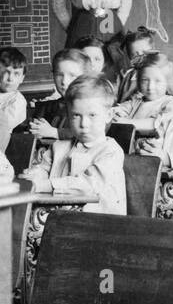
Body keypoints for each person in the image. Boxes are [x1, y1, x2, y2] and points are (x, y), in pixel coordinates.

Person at [22, 75, 126, 214]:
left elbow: (86, 185)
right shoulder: (59, 146)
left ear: (108, 115)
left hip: (98, 224)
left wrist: (44, 185)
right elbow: (43, 169)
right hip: (59, 216)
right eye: (76, 115)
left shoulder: (110, 151)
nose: (84, 124)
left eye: (92, 115)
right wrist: (33, 177)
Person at [112, 51, 173, 132]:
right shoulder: (136, 102)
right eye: (145, 80)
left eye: (157, 81)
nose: (150, 87)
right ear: (139, 81)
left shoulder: (172, 103)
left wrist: (127, 122)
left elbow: (157, 124)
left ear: (167, 82)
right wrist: (115, 115)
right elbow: (118, 110)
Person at [0, 46, 30, 132]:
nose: (10, 78)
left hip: (0, 140)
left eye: (16, 74)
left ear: (22, 78)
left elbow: (4, 126)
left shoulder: (17, 100)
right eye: (6, 72)